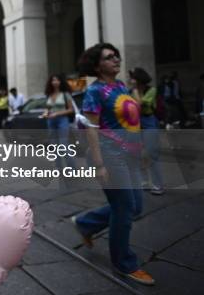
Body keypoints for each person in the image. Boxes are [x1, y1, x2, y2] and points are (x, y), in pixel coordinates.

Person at [71, 43, 154, 286]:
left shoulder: (119, 86)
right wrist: (98, 163)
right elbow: (92, 128)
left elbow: (132, 121)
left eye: (116, 55)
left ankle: (86, 223)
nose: (116, 59)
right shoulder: (95, 91)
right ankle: (124, 263)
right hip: (109, 155)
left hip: (129, 155)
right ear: (97, 65)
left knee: (134, 206)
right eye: (109, 57)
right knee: (125, 208)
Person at [129, 68, 164, 195]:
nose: (130, 80)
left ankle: (158, 185)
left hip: (149, 122)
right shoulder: (130, 91)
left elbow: (139, 104)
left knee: (152, 154)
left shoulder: (151, 90)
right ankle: (143, 182)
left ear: (138, 79)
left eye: (133, 78)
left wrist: (135, 90)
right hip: (135, 123)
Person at [41, 74, 75, 169]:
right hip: (50, 121)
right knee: (54, 147)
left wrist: (57, 113)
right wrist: (45, 113)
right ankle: (59, 169)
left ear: (61, 82)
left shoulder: (65, 94)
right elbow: (48, 109)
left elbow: (71, 110)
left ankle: (73, 169)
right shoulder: (49, 94)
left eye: (57, 80)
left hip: (63, 120)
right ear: (50, 82)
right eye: (53, 80)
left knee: (64, 146)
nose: (55, 82)